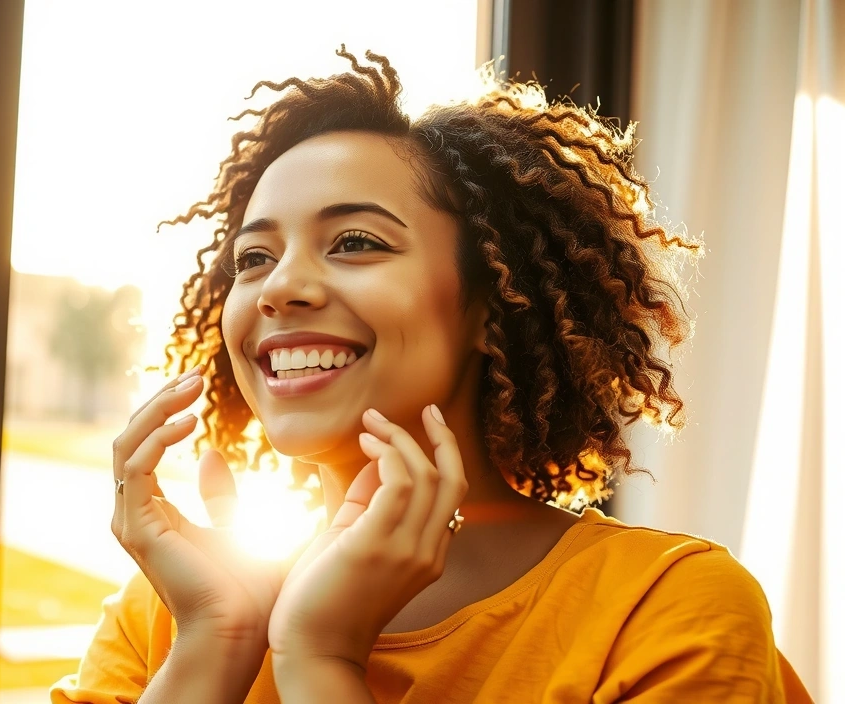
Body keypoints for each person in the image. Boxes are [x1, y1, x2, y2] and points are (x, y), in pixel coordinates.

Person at [50, 48, 811, 703]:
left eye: (353, 241)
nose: (280, 286)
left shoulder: (663, 608)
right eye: (254, 257)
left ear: (490, 303)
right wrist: (215, 644)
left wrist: (320, 660)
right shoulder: (176, 607)